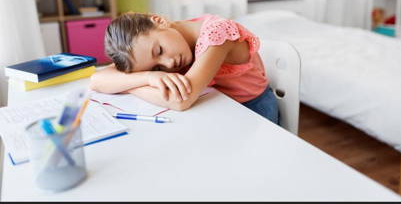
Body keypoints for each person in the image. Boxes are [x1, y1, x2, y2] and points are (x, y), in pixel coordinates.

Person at [90, 12, 279, 124]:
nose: (168, 65)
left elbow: (180, 101)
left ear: (159, 21)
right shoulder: (165, 40)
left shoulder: (217, 35)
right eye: (157, 68)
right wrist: (148, 77)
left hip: (254, 111)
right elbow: (97, 79)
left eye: (159, 51)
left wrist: (131, 85)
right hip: (217, 105)